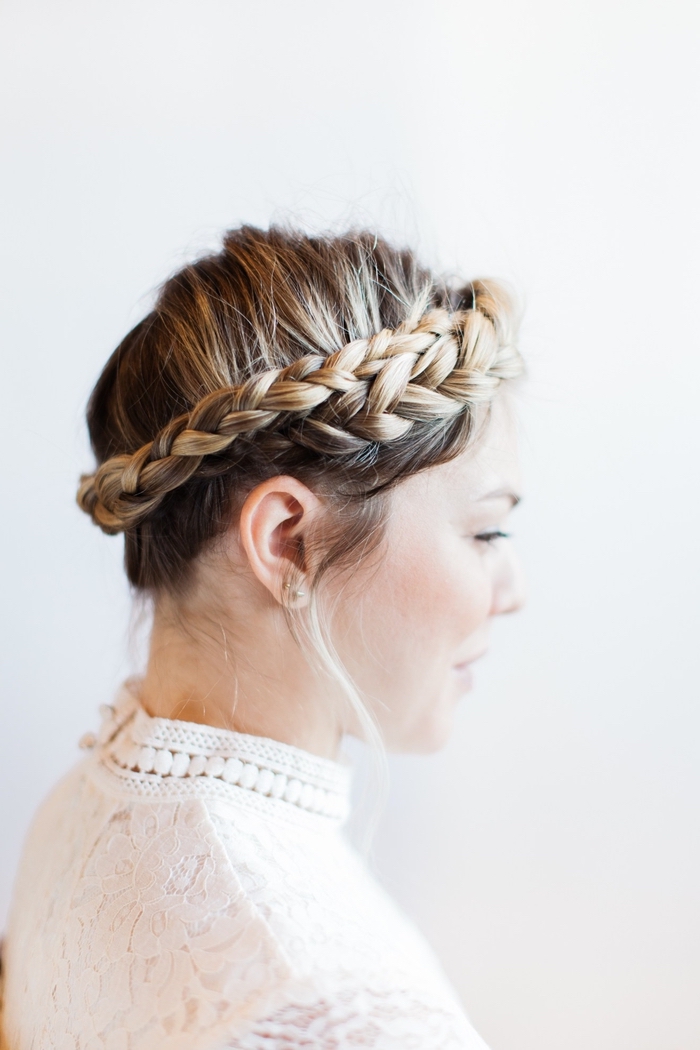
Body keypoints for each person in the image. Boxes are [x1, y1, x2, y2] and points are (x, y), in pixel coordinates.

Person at [0, 225, 525, 1049]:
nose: (511, 594)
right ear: (289, 541)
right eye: (485, 535)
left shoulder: (79, 810)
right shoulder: (340, 1014)